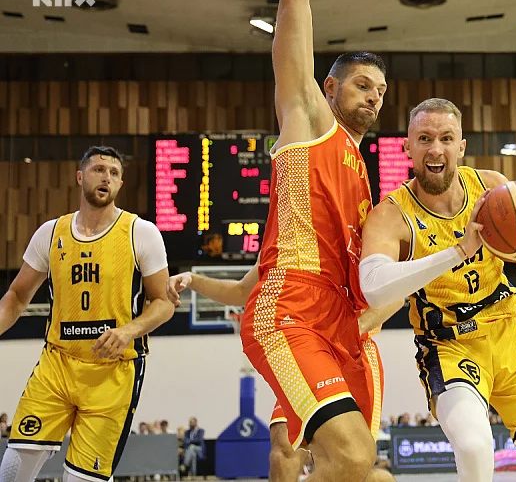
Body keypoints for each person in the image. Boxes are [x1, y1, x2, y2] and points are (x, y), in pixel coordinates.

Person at [358, 98, 516, 482]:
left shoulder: (493, 190)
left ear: (461, 146)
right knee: (475, 448)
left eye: (446, 138)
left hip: (511, 339)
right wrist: (458, 251)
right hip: (450, 346)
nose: (435, 149)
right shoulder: (392, 215)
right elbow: (374, 289)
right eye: (424, 138)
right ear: (407, 147)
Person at [236, 0, 392, 478]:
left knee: (359, 468)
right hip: (293, 306)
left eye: (380, 91)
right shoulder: (309, 119)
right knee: (350, 455)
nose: (374, 97)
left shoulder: (364, 174)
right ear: (329, 88)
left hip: (344, 321)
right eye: (362, 85)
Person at [0, 146, 173, 482]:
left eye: (114, 172)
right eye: (98, 169)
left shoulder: (141, 232)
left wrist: (128, 331)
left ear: (120, 184)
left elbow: (163, 302)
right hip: (58, 365)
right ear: (80, 177)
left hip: (113, 372)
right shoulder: (50, 233)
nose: (106, 177)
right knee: (13, 468)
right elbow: (17, 297)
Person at [166, 267, 400, 482]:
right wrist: (193, 280)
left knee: (352, 463)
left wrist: (351, 331)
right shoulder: (280, 239)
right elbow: (242, 290)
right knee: (282, 448)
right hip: (306, 345)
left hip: (353, 353)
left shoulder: (361, 236)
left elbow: (397, 294)